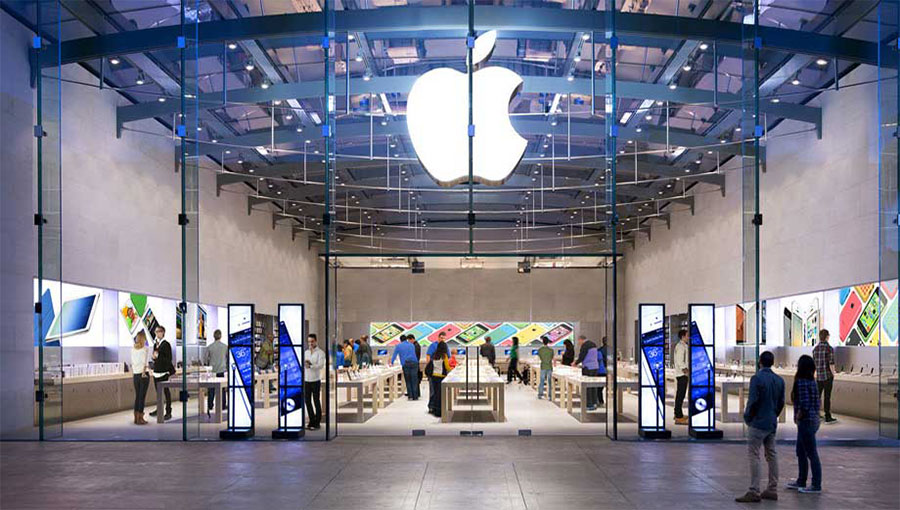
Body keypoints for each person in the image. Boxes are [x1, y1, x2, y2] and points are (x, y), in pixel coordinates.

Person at [735, 351, 785, 503]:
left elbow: (753, 401)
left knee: (754, 454)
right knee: (772, 454)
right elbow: (781, 403)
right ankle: (772, 488)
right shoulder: (779, 380)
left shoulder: (756, 379)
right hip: (771, 422)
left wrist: (748, 417)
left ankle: (754, 490)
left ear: (760, 362)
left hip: (758, 422)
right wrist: (773, 415)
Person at [788, 354, 822, 494]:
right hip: (813, 419)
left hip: (805, 421)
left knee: (810, 453)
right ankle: (801, 480)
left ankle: (815, 484)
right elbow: (817, 402)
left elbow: (804, 403)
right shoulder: (812, 382)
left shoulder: (801, 382)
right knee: (801, 451)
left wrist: (798, 415)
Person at [149, 325, 174, 420]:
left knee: (166, 392)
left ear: (162, 332)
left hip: (163, 372)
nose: (156, 334)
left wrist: (158, 356)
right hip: (156, 371)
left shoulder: (166, 344)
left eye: (158, 331)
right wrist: (154, 358)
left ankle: (168, 411)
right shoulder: (156, 344)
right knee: (158, 393)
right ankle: (159, 409)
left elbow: (168, 359)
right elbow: (156, 356)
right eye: (155, 332)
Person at [812, 329, 837, 424]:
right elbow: (831, 363)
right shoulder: (829, 348)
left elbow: (814, 364)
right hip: (827, 376)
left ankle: (816, 415)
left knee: (818, 396)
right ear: (827, 337)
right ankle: (828, 416)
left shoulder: (815, 349)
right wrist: (833, 374)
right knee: (827, 397)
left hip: (819, 377)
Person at [304, 334, 325, 430]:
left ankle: (317, 422)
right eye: (309, 341)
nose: (310, 343)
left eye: (312, 341)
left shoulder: (320, 353)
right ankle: (311, 420)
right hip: (306, 380)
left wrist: (311, 366)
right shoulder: (306, 352)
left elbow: (320, 365)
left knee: (316, 401)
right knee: (307, 401)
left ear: (316, 341)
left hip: (315, 380)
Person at [205, 329, 228, 415]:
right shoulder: (225, 347)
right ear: (220, 336)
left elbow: (206, 359)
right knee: (222, 389)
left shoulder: (209, 347)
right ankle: (223, 405)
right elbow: (227, 358)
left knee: (211, 389)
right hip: (222, 370)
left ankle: (210, 405)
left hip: (212, 371)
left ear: (213, 336)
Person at [426, 341, 451, 417]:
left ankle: (433, 409)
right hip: (441, 377)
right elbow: (447, 367)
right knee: (440, 394)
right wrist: (452, 369)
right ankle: (439, 411)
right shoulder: (444, 356)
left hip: (433, 376)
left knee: (434, 393)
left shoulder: (434, 355)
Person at [131, 330, 151, 425]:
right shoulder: (145, 349)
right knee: (142, 397)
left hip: (135, 375)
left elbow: (133, 362)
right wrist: (144, 373)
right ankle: (140, 418)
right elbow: (145, 363)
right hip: (143, 374)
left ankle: (136, 417)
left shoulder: (133, 349)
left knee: (137, 396)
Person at [392, 334, 420, 400]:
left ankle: (410, 396)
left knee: (408, 380)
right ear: (406, 339)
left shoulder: (398, 346)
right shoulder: (412, 345)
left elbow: (394, 355)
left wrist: (392, 362)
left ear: (400, 340)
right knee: (414, 380)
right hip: (414, 363)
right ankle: (415, 396)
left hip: (406, 364)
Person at [673, 329, 690, 425]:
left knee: (680, 395)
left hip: (682, 374)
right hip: (682, 374)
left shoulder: (683, 346)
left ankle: (678, 414)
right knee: (680, 395)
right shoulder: (680, 347)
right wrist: (686, 371)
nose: (688, 337)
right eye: (687, 335)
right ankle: (678, 417)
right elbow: (680, 361)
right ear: (683, 336)